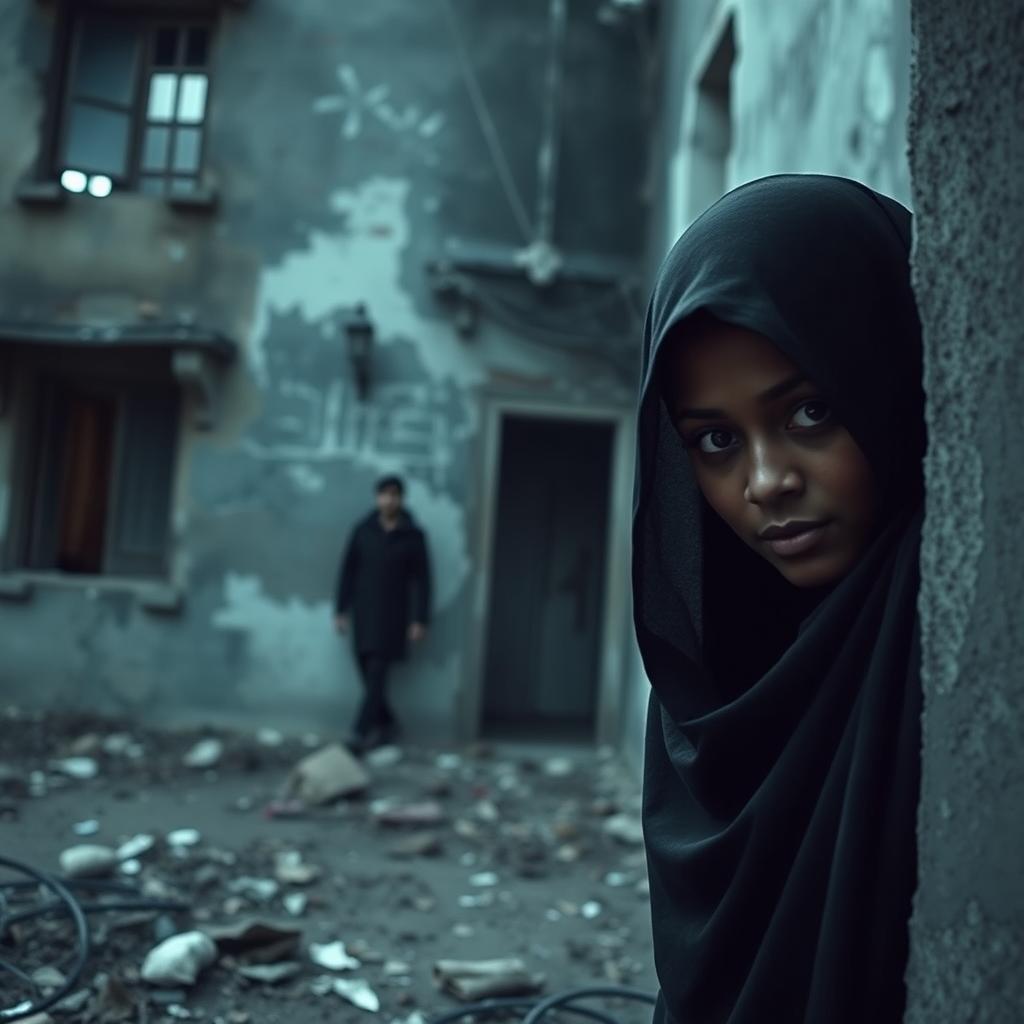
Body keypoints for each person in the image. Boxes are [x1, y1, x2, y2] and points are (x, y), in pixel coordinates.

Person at [633, 175, 924, 1023]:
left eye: (809, 413)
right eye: (717, 440)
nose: (765, 483)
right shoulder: (714, 677)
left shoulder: (942, 629)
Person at [335, 475, 431, 752]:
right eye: (384, 494)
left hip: (393, 616)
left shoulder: (413, 536)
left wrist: (419, 619)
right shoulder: (363, 531)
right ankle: (389, 723)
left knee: (378, 672)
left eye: (394, 495)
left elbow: (423, 580)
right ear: (377, 498)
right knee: (366, 672)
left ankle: (358, 733)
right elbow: (348, 571)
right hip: (364, 613)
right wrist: (341, 610)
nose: (389, 500)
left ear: (402, 499)